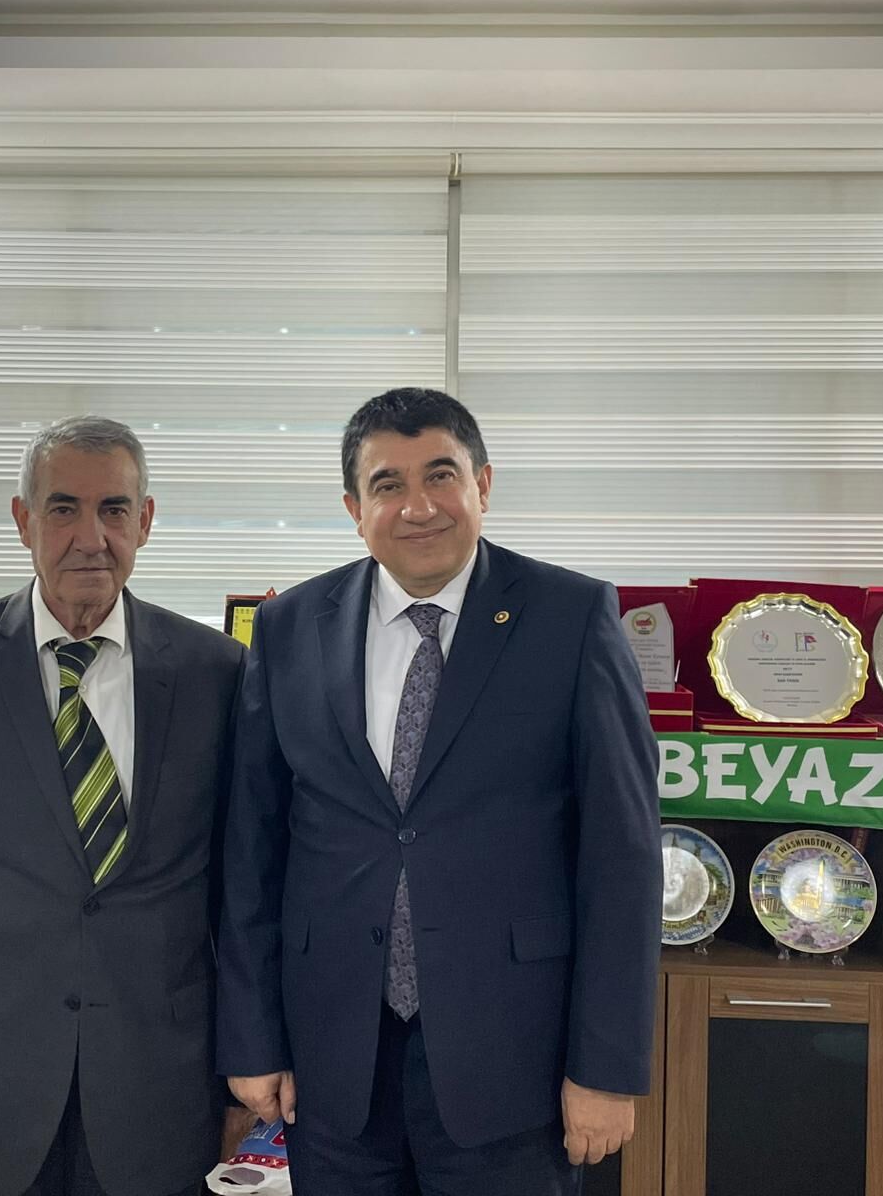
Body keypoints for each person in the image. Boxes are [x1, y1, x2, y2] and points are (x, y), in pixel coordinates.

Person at [217, 388, 661, 1194]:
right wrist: (252, 1039)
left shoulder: (570, 616)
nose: (418, 506)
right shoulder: (288, 629)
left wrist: (607, 1066)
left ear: (482, 484)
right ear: (354, 509)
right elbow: (253, 848)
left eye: (441, 476)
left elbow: (621, 857)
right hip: (332, 1062)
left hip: (515, 1063)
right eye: (388, 484)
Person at [0, 416, 248, 1196]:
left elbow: (242, 901)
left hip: (160, 1088)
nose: (90, 538)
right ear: (24, 520)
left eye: (114, 510)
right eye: (64, 508)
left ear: (145, 521)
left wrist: (245, 1080)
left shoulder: (217, 672)